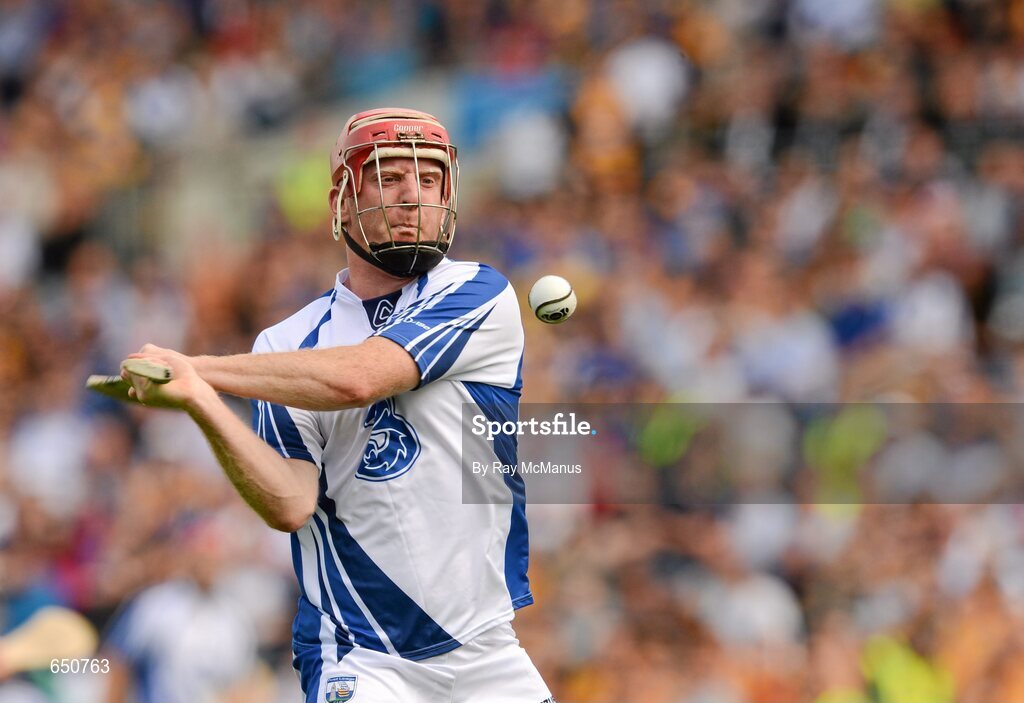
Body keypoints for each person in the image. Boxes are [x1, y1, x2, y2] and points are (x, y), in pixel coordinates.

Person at [120, 108, 555, 703]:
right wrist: (202, 401)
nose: (412, 197)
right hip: (361, 653)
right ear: (343, 201)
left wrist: (203, 370)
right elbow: (291, 503)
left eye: (429, 180)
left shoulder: (480, 293)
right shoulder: (283, 346)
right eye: (389, 177)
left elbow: (360, 378)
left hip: (486, 648)